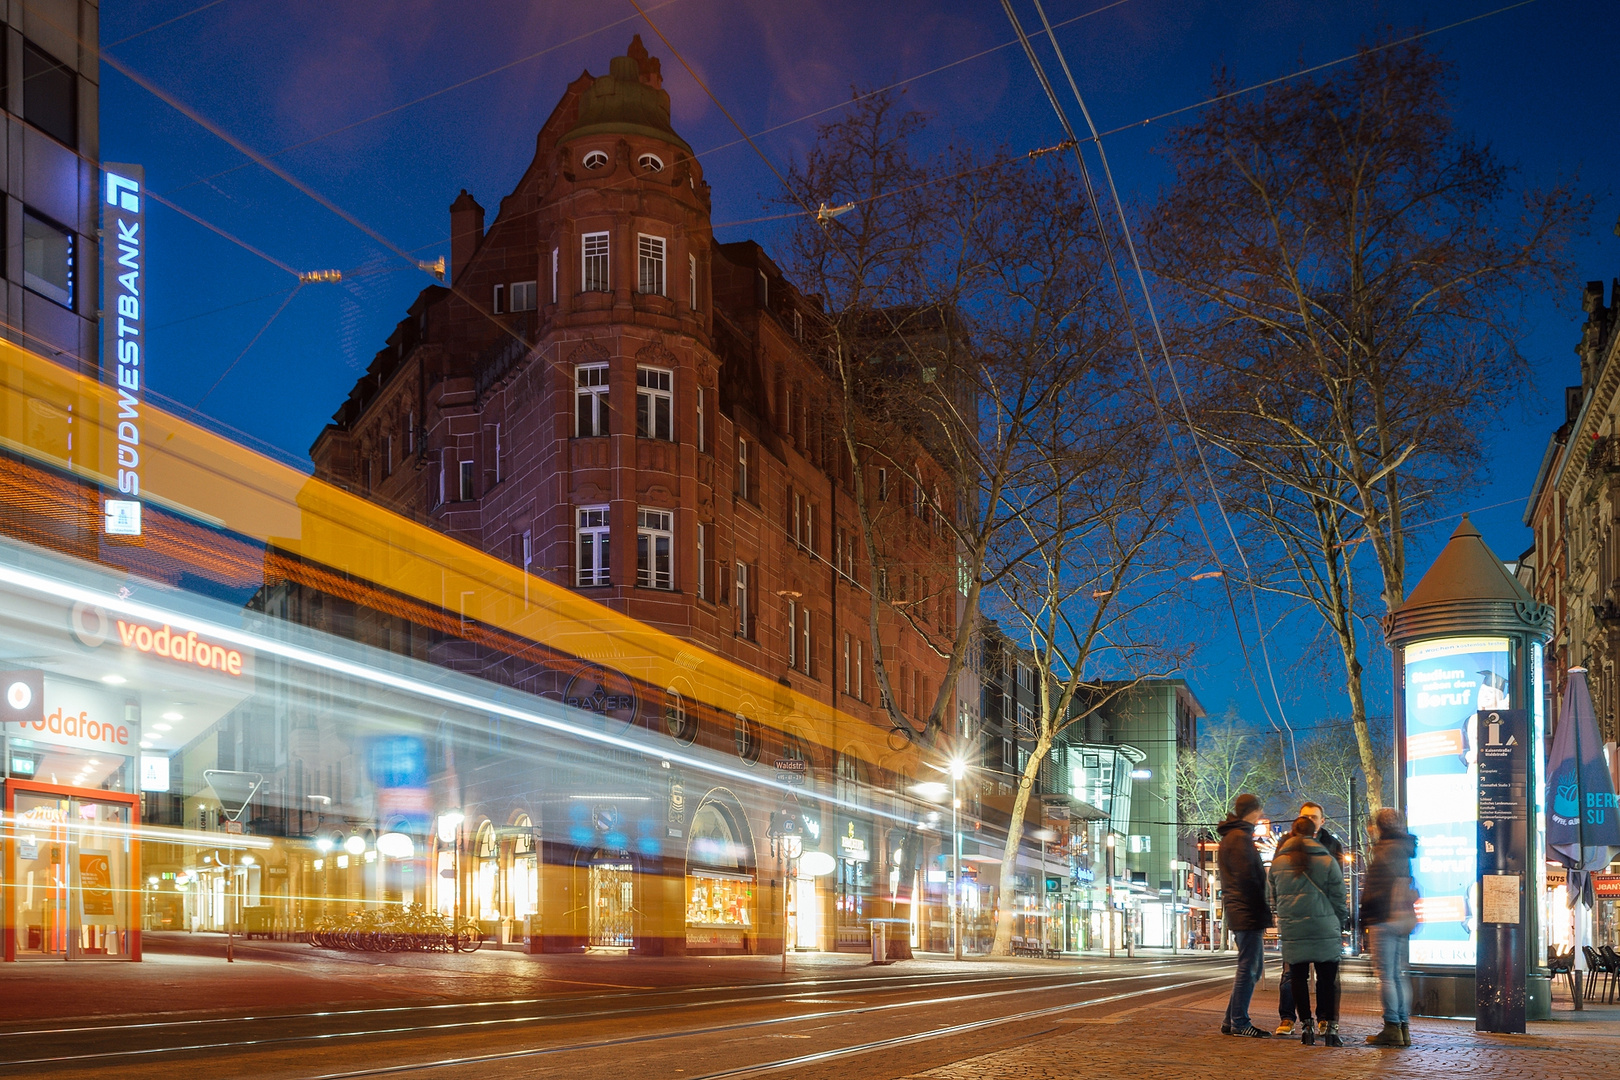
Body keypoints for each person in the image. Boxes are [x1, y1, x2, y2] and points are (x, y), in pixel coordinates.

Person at [1268, 816, 1348, 1046]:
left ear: (1292, 833)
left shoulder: (1279, 862)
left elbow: (1273, 898)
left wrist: (1285, 918)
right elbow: (1339, 897)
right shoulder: (1327, 859)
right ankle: (1331, 1030)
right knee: (1327, 980)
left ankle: (1306, 1028)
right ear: (1315, 833)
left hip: (1294, 928)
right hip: (1325, 927)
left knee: (1298, 979)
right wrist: (1338, 922)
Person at [1359, 807, 1417, 1047]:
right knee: (1399, 974)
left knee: (1387, 976)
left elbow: (1375, 889)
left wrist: (1363, 917)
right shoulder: (1404, 848)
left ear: (1379, 827)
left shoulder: (1384, 850)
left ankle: (1392, 1026)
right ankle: (1403, 1027)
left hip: (1384, 918)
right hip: (1403, 917)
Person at [1217, 793, 1273, 1037]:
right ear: (1254, 811)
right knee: (1249, 966)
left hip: (1243, 909)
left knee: (1252, 966)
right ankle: (1239, 1021)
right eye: (1260, 811)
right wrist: (1260, 909)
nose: (1261, 815)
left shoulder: (1237, 836)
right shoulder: (1239, 838)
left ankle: (1232, 1019)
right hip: (1246, 910)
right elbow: (1246, 878)